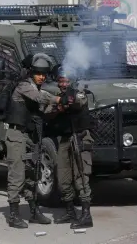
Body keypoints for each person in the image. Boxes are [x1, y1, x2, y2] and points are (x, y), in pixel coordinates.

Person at [4, 53, 65, 229]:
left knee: (33, 174)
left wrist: (59, 105)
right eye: (38, 73)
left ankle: (33, 211)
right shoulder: (24, 86)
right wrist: (58, 99)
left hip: (30, 136)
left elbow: (44, 108)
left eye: (44, 74)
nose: (42, 76)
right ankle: (14, 215)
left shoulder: (36, 88)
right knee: (17, 175)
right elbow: (41, 98)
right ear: (31, 73)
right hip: (16, 135)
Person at [46, 65, 94, 229]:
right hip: (66, 139)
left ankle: (86, 215)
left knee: (81, 176)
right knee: (63, 178)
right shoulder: (59, 96)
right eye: (60, 81)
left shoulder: (78, 92)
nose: (63, 84)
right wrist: (59, 106)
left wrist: (65, 103)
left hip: (79, 137)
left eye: (66, 80)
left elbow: (78, 101)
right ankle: (70, 212)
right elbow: (50, 111)